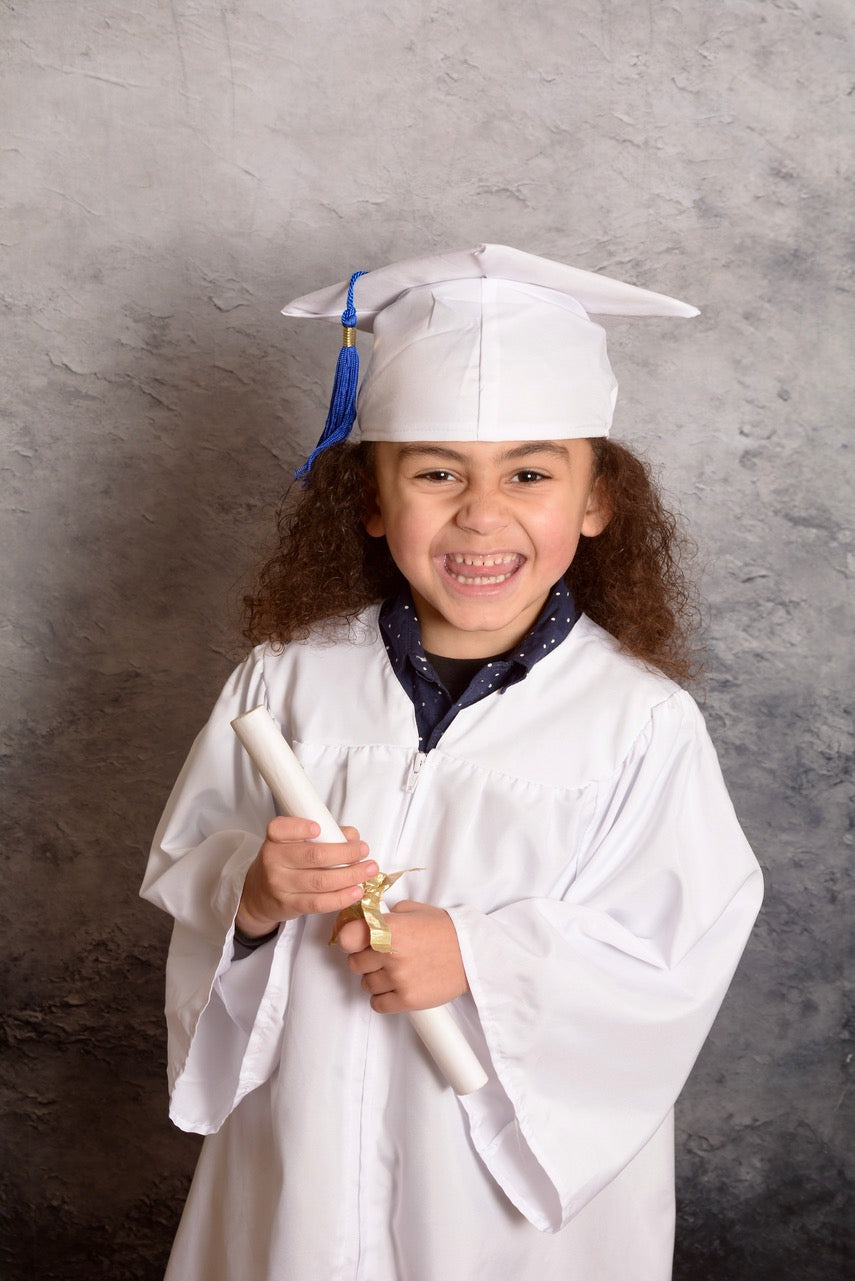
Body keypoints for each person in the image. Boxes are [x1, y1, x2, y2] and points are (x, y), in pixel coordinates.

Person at [141, 244, 763, 1281]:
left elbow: (677, 952)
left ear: (596, 500)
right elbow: (190, 867)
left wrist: (477, 956)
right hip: (302, 1146)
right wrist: (251, 892)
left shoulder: (639, 722)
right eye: (436, 473)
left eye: (530, 472)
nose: (482, 513)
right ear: (375, 501)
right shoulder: (287, 683)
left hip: (501, 1193)